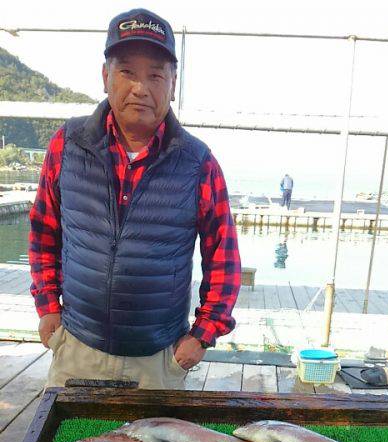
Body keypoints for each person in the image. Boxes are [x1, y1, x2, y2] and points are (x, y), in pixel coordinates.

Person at [29, 8, 241, 389]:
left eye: (155, 75)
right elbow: (44, 233)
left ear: (173, 83)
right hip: (77, 348)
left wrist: (203, 333)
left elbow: (223, 257)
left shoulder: (199, 163)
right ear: (105, 76)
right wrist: (48, 306)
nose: (140, 88)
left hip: (158, 362)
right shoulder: (67, 144)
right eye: (127, 71)